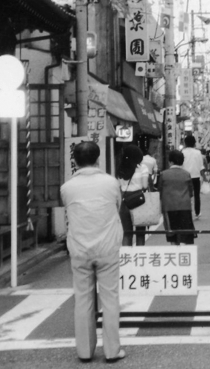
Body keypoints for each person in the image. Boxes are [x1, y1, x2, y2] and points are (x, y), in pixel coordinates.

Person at [62, 140, 124, 363]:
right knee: (110, 298)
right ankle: (112, 350)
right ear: (98, 159)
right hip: (107, 246)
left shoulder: (67, 187)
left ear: (75, 161)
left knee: (82, 299)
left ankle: (85, 351)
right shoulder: (110, 183)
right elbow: (116, 207)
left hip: (79, 248)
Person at [160, 150, 195, 245]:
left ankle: (175, 250)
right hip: (185, 206)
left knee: (172, 235)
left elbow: (160, 191)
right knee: (186, 233)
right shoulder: (186, 174)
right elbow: (191, 192)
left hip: (169, 207)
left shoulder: (163, 174)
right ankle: (186, 253)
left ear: (170, 161)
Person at [115, 144, 144, 245]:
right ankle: (140, 257)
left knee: (127, 233)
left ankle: (127, 257)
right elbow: (144, 185)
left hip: (125, 202)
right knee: (140, 233)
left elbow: (119, 187)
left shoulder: (120, 169)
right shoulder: (141, 168)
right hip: (139, 201)